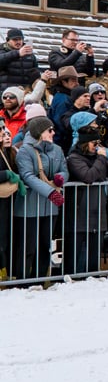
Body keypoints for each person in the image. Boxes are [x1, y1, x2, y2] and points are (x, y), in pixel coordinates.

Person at [64, 112, 108, 274]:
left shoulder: (97, 156)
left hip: (97, 210)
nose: (97, 146)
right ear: (85, 143)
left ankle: (92, 276)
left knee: (94, 253)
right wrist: (102, 159)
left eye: (98, 142)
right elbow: (89, 177)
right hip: (80, 212)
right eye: (94, 143)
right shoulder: (75, 158)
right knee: (77, 254)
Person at [13, 116, 68, 281]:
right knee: (28, 246)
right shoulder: (25, 150)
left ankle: (40, 277)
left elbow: (64, 169)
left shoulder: (57, 150)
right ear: (38, 132)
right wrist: (51, 193)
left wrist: (60, 178)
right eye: (49, 130)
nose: (53, 132)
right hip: (30, 206)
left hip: (50, 207)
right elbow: (28, 176)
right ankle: (23, 280)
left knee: (45, 245)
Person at [0, 120, 23, 280]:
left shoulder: (9, 153)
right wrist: (6, 175)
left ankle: (6, 273)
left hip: (6, 203)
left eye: (5, 130)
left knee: (6, 239)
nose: (4, 133)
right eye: (1, 130)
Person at [0, 27, 41, 93]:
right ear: (8, 40)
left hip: (24, 91)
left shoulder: (29, 54)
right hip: (6, 92)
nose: (18, 42)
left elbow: (36, 69)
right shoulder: (2, 51)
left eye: (20, 39)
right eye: (15, 40)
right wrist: (17, 53)